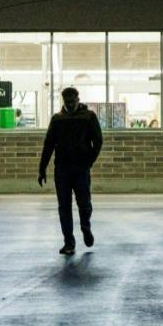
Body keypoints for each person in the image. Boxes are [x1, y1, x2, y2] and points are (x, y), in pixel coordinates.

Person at [38, 87, 103, 255]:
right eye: (68, 102)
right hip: (63, 169)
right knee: (64, 207)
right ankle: (69, 242)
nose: (71, 104)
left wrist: (89, 161)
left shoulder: (89, 117)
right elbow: (48, 145)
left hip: (81, 167)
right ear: (63, 101)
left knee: (84, 204)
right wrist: (42, 168)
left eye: (73, 101)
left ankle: (85, 227)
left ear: (78, 99)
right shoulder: (57, 119)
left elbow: (98, 140)